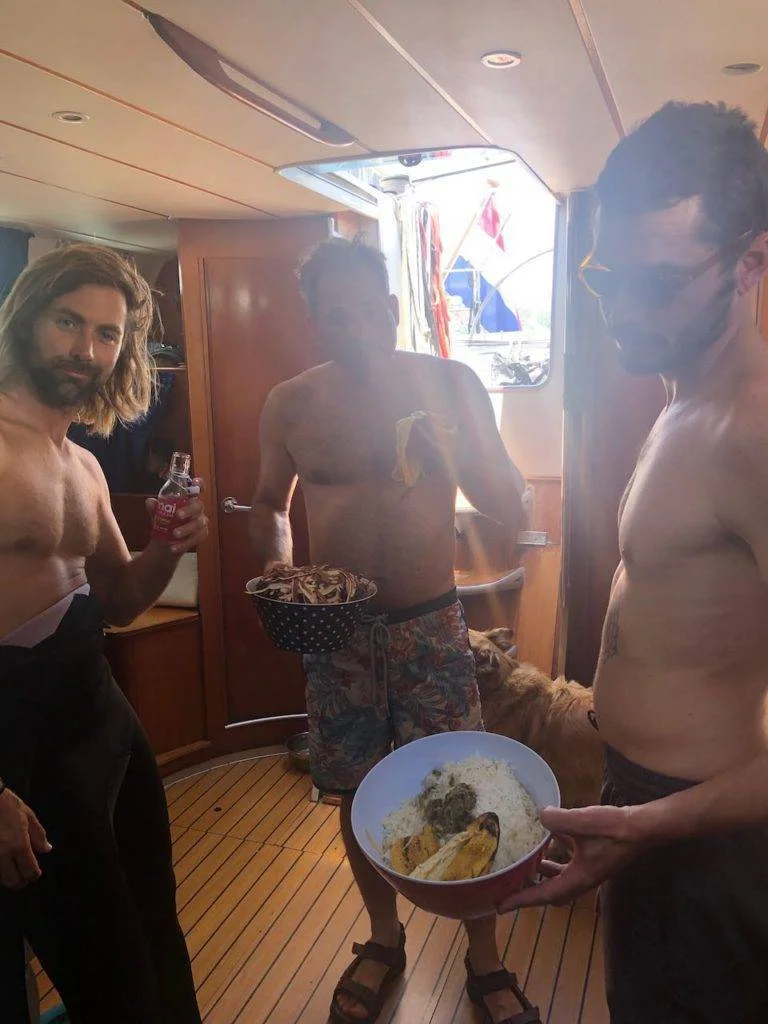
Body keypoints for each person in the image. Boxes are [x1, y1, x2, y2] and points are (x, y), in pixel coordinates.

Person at [500, 101, 768, 1023]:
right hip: (644, 809)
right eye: (605, 276)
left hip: (707, 834)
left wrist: (650, 825)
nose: (619, 310)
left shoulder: (755, 434)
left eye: (657, 283)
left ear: (750, 264)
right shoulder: (683, 396)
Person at [249, 237, 534, 1024]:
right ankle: (383, 938)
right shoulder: (291, 402)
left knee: (461, 786)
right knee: (356, 791)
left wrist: (459, 456)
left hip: (430, 627)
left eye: (364, 311)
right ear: (315, 321)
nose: (351, 327)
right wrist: (277, 566)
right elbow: (269, 503)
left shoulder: (451, 383)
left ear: (392, 308)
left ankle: (485, 957)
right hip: (335, 636)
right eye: (331, 316)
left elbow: (508, 502)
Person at [0, 243, 207, 1023]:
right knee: (103, 967)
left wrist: (168, 546)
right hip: (18, 742)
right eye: (68, 322)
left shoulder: (82, 464)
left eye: (107, 334)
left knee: (154, 923)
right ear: (27, 319)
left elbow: (118, 601)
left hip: (100, 716)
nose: (84, 350)